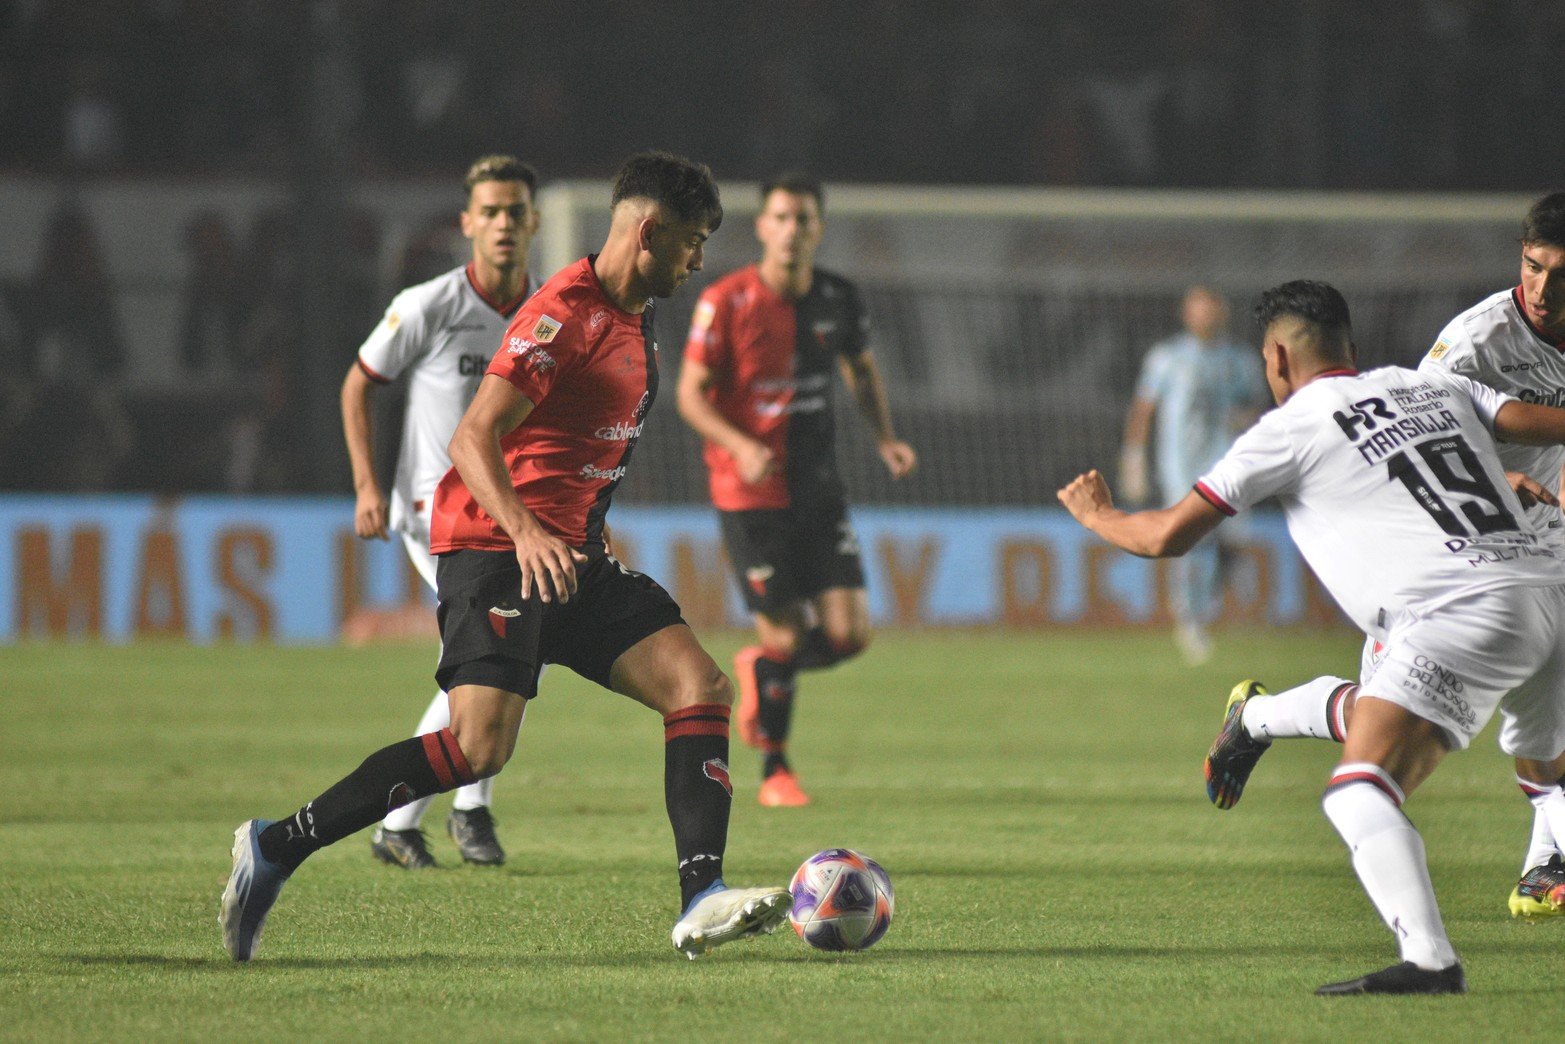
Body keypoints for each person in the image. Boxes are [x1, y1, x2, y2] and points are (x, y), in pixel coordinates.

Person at [222, 151, 790, 963]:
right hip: (495, 549)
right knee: (478, 749)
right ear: (648, 231)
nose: (698, 260)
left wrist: (571, 533)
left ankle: (701, 897)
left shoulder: (637, 312)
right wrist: (526, 529)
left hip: (573, 560)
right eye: (692, 242)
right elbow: (472, 434)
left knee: (698, 687)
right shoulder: (564, 313)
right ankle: (276, 845)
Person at [1059, 279, 1565, 995]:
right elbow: (1518, 419)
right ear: (1351, 350)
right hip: (1547, 588)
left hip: (1454, 609)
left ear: (1273, 358)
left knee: (1358, 793)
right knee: (1525, 774)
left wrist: (1096, 516)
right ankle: (1257, 718)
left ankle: (1429, 961)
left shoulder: (1286, 429)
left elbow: (1166, 536)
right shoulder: (1430, 385)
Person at [1202, 193, 1565, 920]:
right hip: (1449, 550)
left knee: (1548, 704)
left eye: (1560, 273)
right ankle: (1259, 719)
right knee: (1382, 713)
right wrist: (1499, 481)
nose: (1542, 289)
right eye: (1532, 267)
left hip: (1539, 547)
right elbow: (1418, 433)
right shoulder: (1477, 343)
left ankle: (1545, 860)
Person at [676, 172, 916, 807]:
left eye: (804, 219)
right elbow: (688, 395)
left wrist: (885, 437)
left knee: (850, 634)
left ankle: (762, 668)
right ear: (762, 227)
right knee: (785, 635)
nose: (792, 229)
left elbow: (861, 369)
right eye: (780, 217)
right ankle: (776, 769)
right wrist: (741, 444)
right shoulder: (725, 302)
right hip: (748, 493)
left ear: (819, 228)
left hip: (817, 487)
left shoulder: (839, 298)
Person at [340, 155, 541, 869]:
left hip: (505, 517)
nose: (503, 224)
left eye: (515, 211)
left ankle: (449, 815)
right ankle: (435, 818)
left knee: (498, 654)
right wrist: (368, 485)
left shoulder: (546, 316)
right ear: (467, 224)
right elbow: (359, 384)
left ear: (534, 221)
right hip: (435, 516)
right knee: (490, 654)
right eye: (489, 212)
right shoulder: (429, 304)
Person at [1119, 286, 1267, 664]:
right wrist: (1134, 455)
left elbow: (1256, 406)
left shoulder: (1242, 360)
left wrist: (1246, 420)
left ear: (1222, 313)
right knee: (1190, 541)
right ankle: (1189, 620)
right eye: (1197, 310)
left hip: (1229, 462)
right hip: (1180, 467)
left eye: (1210, 309)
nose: (1204, 316)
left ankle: (1206, 602)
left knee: (1235, 540)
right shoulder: (1167, 357)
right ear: (1187, 315)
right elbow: (1144, 408)